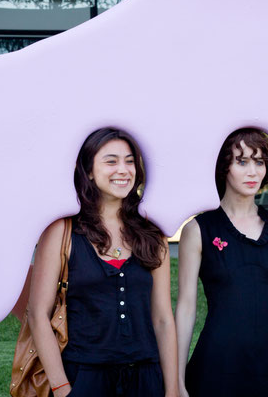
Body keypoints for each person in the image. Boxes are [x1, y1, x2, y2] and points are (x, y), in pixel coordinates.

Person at [27, 127, 179, 397]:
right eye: (111, 161)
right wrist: (62, 388)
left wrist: (172, 389)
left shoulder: (152, 234)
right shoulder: (61, 232)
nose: (123, 170)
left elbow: (163, 319)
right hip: (83, 377)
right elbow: (38, 314)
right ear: (88, 170)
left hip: (146, 377)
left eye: (130, 161)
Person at [175, 128, 268, 397]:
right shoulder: (198, 230)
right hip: (216, 367)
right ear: (224, 167)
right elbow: (186, 308)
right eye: (242, 161)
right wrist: (178, 381)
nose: (253, 172)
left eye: (259, 162)